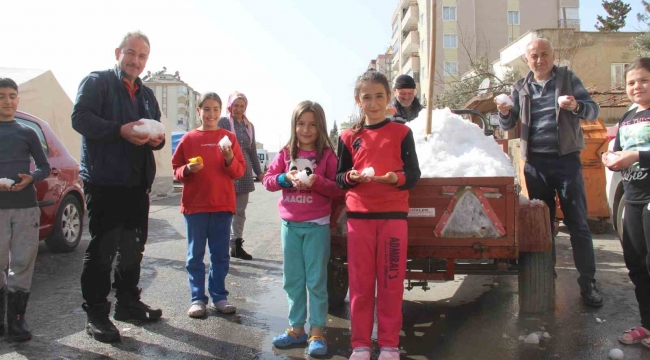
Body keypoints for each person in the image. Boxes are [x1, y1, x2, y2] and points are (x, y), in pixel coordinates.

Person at [71, 31, 164, 343]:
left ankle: (127, 303)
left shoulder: (148, 95)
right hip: (105, 181)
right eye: (130, 53)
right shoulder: (97, 82)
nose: (135, 61)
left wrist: (158, 139)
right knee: (103, 250)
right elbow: (80, 118)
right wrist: (119, 131)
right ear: (118, 52)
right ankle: (97, 313)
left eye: (142, 56)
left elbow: (158, 133)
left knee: (133, 248)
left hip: (137, 184)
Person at [496, 38, 603, 307]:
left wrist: (576, 106)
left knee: (578, 223)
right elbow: (509, 124)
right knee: (544, 225)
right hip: (535, 165)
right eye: (534, 56)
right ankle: (546, 276)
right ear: (527, 60)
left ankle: (588, 282)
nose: (540, 59)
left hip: (566, 161)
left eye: (545, 54)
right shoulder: (520, 87)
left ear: (553, 55)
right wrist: (503, 111)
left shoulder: (568, 78)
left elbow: (592, 110)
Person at [336, 70, 421, 360]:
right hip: (359, 219)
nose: (373, 103)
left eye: (379, 96)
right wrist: (351, 176)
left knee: (390, 282)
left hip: (393, 218)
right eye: (367, 97)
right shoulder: (348, 136)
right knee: (360, 285)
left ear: (389, 99)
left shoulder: (402, 132)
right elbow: (339, 177)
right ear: (358, 100)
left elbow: (413, 175)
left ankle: (388, 344)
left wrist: (393, 179)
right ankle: (360, 343)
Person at [263, 101, 339, 356]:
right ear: (294, 125)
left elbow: (337, 188)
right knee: (293, 280)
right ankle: (297, 329)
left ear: (321, 127)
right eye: (301, 123)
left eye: (313, 125)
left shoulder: (328, 155)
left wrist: (317, 182)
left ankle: (317, 331)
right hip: (290, 226)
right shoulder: (286, 152)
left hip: (317, 226)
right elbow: (268, 180)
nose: (306, 130)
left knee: (316, 281)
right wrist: (285, 178)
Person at [172, 92, 246, 318]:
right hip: (195, 207)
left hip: (222, 206)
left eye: (215, 109)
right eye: (206, 109)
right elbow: (176, 169)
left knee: (220, 255)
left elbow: (239, 171)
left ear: (221, 111)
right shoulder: (189, 139)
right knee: (195, 255)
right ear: (198, 111)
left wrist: (229, 159)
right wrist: (187, 170)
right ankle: (197, 299)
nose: (211, 114)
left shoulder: (229, 138)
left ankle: (219, 296)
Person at [0, 78, 51, 342]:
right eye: (1, 97)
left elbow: (44, 166)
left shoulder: (27, 132)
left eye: (12, 96)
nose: (7, 101)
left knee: (21, 264)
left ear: (18, 99)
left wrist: (31, 178)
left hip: (25, 208)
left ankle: (17, 320)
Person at [604, 58, 650, 347]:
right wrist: (610, 158)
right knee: (636, 265)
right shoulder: (628, 116)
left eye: (644, 80)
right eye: (631, 82)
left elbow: (633, 154)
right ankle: (647, 324)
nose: (637, 86)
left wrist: (636, 157)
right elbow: (617, 150)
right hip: (632, 199)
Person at [218, 92, 263, 260]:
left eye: (242, 106)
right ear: (230, 105)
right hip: (226, 170)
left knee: (240, 211)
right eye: (235, 105)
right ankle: (221, 246)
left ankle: (236, 246)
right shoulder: (223, 122)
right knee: (223, 210)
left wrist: (259, 173)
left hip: (244, 172)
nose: (238, 109)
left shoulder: (249, 126)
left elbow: (252, 151)